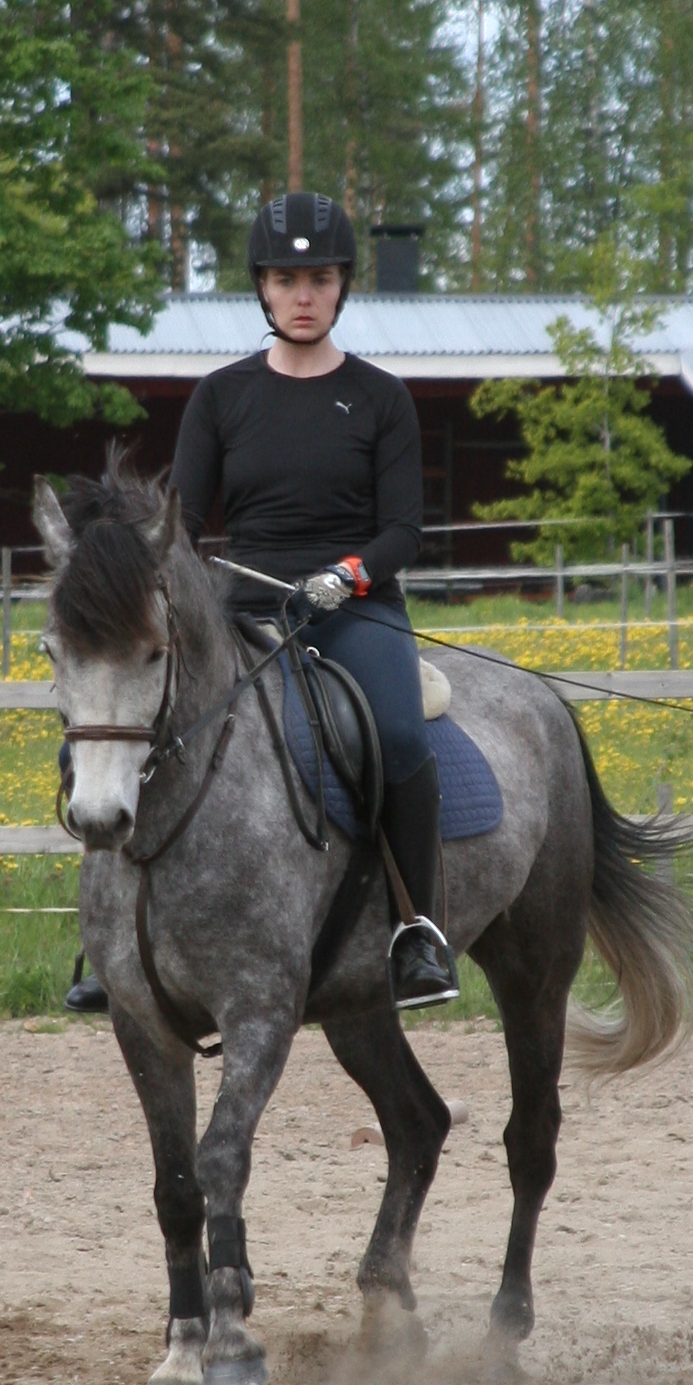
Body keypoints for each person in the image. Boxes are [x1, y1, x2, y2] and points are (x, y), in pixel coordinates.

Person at [187, 190, 459, 1007]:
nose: (303, 296)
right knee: (147, 719)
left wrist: (344, 577)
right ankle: (112, 941)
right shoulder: (220, 397)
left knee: (400, 732)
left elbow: (404, 529)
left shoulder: (381, 397)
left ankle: (419, 932)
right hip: (243, 609)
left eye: (320, 279)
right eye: (286, 280)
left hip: (354, 607)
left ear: (343, 287)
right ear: (262, 289)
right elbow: (179, 522)